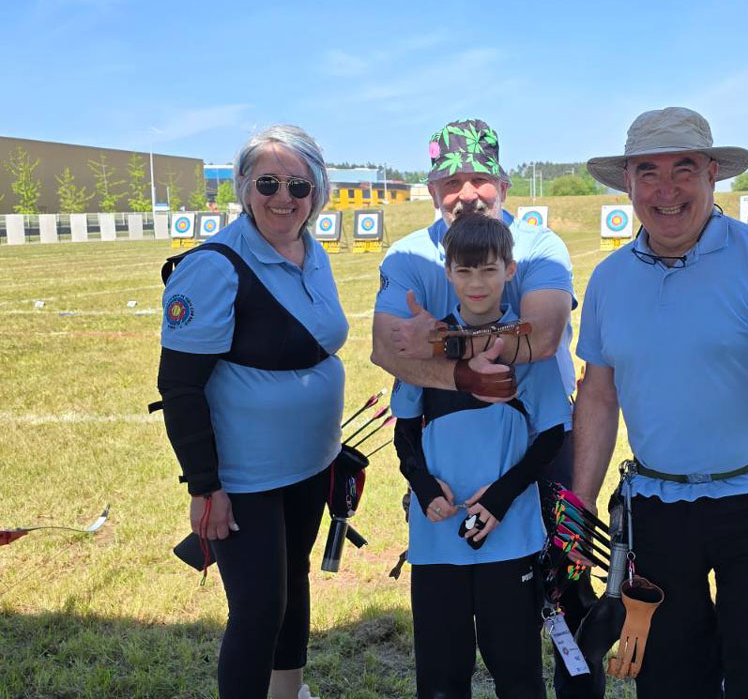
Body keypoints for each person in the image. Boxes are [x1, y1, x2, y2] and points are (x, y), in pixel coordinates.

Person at [573, 106, 748, 698]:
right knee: (671, 680)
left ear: (711, 176)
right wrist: (579, 503)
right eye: (648, 171)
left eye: (684, 169)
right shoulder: (608, 279)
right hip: (658, 506)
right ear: (628, 183)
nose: (666, 189)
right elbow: (598, 396)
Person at [371, 118, 601, 697]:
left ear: (502, 184)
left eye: (479, 179)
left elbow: (542, 339)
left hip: (540, 451)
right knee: (450, 635)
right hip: (450, 461)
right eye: (451, 182)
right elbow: (384, 347)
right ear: (430, 190)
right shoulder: (406, 255)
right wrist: (458, 374)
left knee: (566, 600)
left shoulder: (539, 244)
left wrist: (438, 347)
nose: (466, 193)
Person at [156, 125, 346, 699]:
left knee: (291, 587)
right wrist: (206, 486)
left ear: (317, 192)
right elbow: (181, 386)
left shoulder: (313, 252)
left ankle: (288, 692)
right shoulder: (215, 265)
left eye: (298, 184)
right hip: (246, 477)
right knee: (258, 609)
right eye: (268, 182)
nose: (283, 196)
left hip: (312, 464)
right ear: (244, 186)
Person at [391, 213, 571, 698]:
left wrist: (501, 498)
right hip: (436, 538)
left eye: (489, 270)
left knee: (517, 671)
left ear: (510, 271)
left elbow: (552, 435)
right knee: (441, 674)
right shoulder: (428, 347)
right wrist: (425, 488)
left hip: (510, 536)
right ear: (446, 272)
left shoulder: (525, 348)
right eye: (464, 271)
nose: (477, 283)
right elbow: (404, 431)